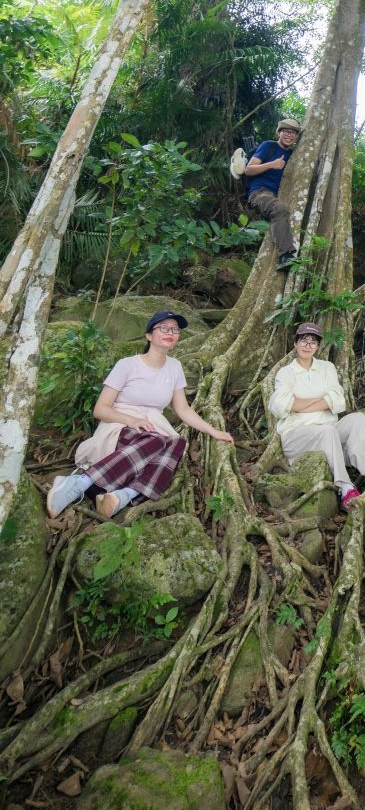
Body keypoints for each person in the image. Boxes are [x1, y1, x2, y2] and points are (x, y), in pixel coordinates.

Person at [46, 309, 234, 521]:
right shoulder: (127, 365)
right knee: (156, 441)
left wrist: (213, 431)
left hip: (151, 430)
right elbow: (101, 409)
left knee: (177, 443)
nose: (170, 332)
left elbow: (183, 410)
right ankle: (78, 483)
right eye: (163, 327)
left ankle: (123, 496)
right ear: (148, 335)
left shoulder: (175, 367)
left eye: (175, 329)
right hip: (119, 427)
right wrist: (132, 421)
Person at [270, 323, 365, 511]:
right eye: (303, 340)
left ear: (318, 346)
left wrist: (299, 404)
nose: (308, 345)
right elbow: (281, 406)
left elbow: (338, 401)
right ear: (295, 344)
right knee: (327, 431)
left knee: (357, 419)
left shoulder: (327, 368)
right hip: (296, 435)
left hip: (327, 431)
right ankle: (345, 488)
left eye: (313, 342)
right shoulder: (285, 373)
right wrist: (321, 401)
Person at [244, 116, 302, 271]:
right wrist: (272, 164)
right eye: (286, 132)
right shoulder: (268, 146)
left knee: (281, 208)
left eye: (293, 133)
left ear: (297, 137)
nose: (289, 135)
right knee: (279, 209)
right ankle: (285, 256)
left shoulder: (292, 155)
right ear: (279, 133)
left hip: (276, 196)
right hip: (259, 192)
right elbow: (248, 169)